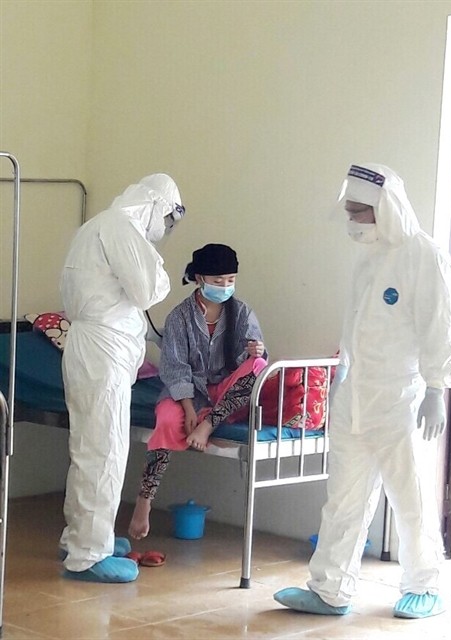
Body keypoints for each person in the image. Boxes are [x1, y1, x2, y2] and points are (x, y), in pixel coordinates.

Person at [274, 163, 451, 619]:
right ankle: (330, 589)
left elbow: (440, 326)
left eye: (360, 211)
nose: (353, 221)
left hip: (401, 400)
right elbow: (356, 326)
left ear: (386, 208)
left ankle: (425, 585)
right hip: (355, 397)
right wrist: (342, 377)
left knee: (410, 498)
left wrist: (437, 386)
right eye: (351, 211)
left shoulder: (424, 256)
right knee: (343, 500)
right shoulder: (367, 256)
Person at [60, 173, 185, 583]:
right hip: (102, 352)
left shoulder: (97, 225)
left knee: (89, 447)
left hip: (91, 346)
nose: (163, 228)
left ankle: (81, 535)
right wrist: (158, 265)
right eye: (166, 218)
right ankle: (88, 555)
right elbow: (149, 290)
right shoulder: (121, 228)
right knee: (104, 451)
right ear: (153, 205)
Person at [128, 243, 267, 540]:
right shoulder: (180, 318)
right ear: (199, 279)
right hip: (189, 393)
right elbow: (175, 367)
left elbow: (251, 363)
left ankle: (208, 425)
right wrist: (189, 409)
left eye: (230, 280)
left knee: (258, 366)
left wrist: (257, 350)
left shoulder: (242, 313)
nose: (225, 286)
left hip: (226, 398)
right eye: (218, 281)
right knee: (166, 420)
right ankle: (144, 501)